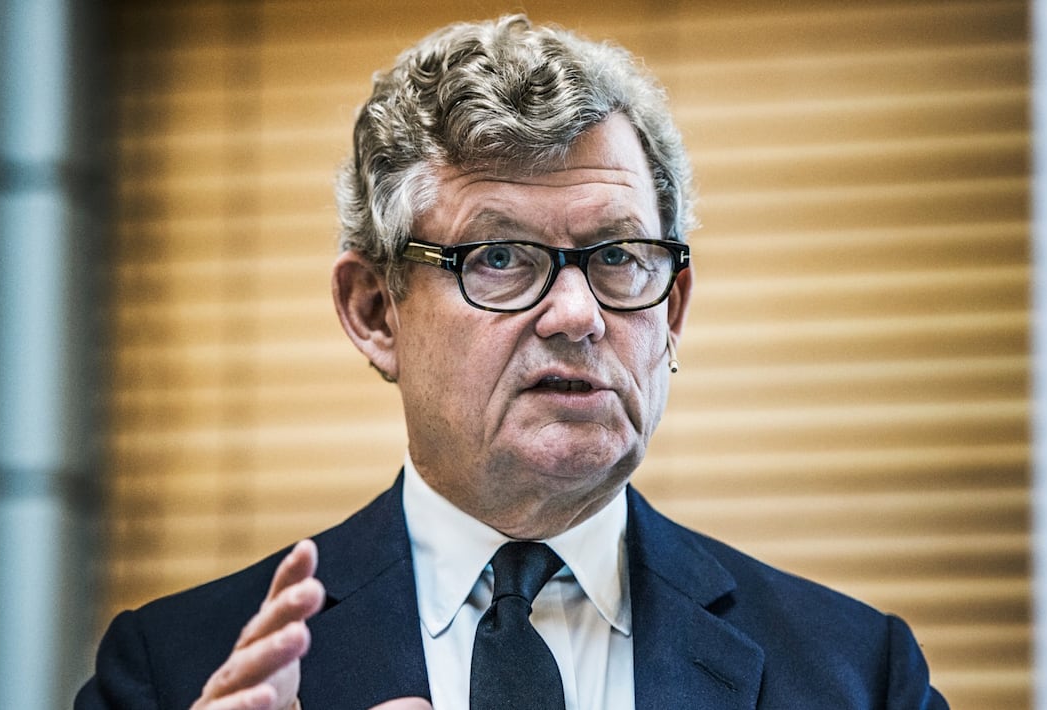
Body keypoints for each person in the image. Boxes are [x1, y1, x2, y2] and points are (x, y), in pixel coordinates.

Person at [76, 15, 950, 710]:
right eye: (498, 257)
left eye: (618, 257)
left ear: (672, 312)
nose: (577, 315)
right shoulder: (174, 669)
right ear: (375, 311)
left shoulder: (856, 673)